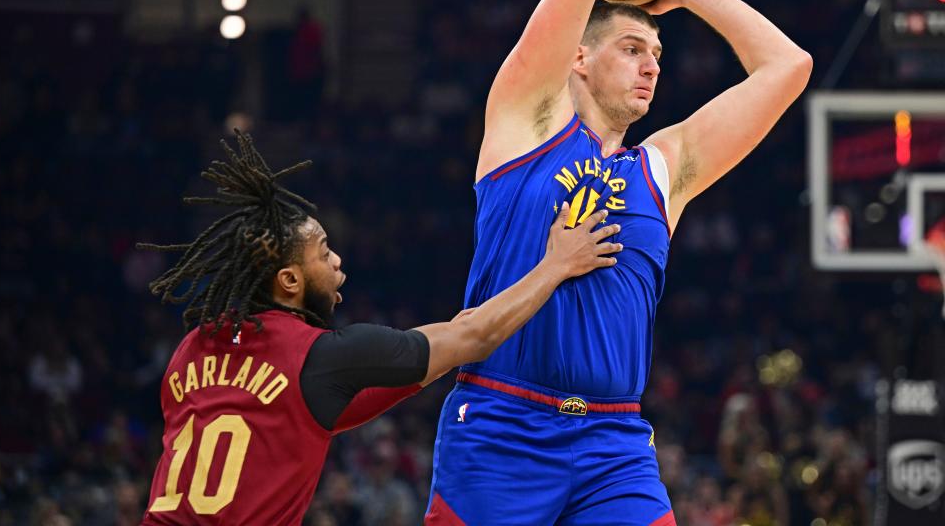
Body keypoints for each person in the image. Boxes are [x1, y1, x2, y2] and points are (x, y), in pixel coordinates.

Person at [425, 0, 812, 525]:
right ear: (579, 58)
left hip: (615, 443)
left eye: (658, 55)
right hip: (502, 425)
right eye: (632, 48)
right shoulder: (525, 123)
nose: (651, 66)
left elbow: (788, 67)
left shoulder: (663, 169)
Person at [138, 131, 621, 525]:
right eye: (325, 253)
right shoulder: (320, 356)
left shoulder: (188, 351)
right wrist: (556, 264)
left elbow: (299, 418)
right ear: (290, 280)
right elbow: (473, 337)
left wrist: (430, 365)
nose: (338, 262)